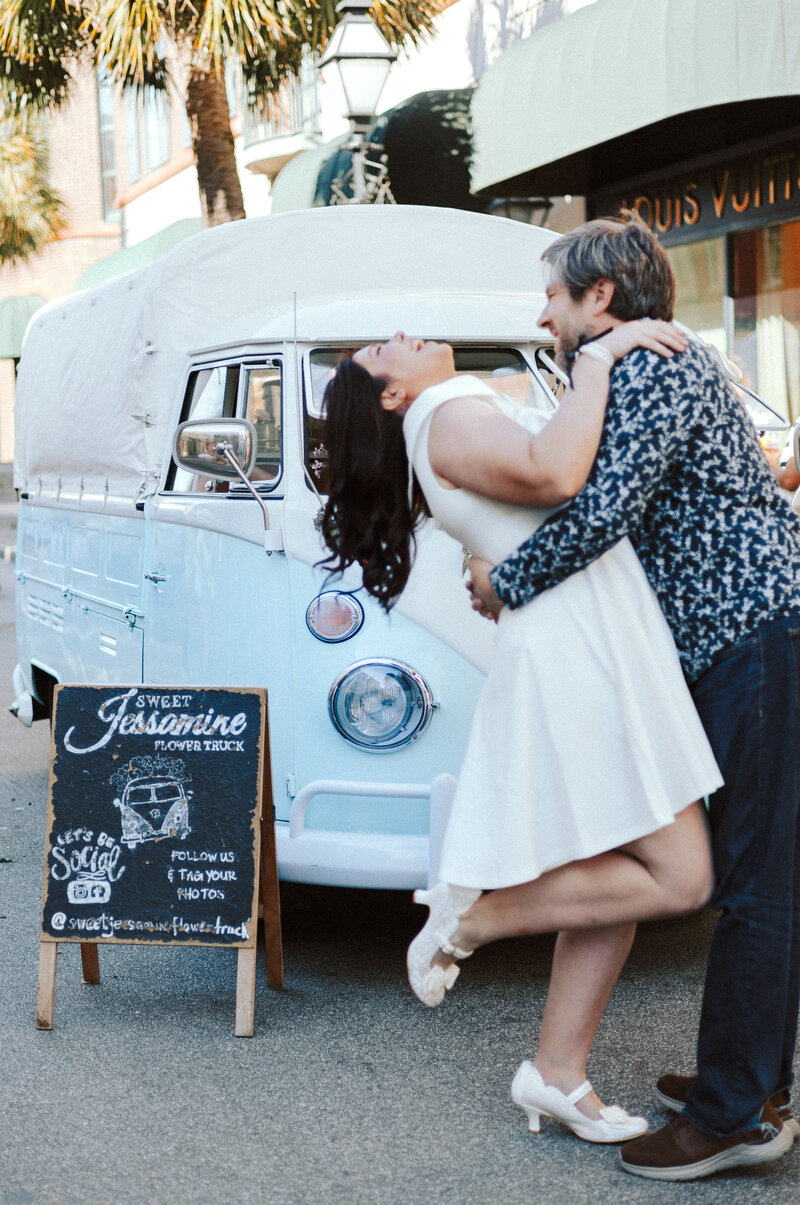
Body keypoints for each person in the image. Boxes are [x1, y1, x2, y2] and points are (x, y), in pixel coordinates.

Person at [320, 318, 723, 1145]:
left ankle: (556, 1072)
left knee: (616, 863)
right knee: (681, 876)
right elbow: (559, 472)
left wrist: (486, 568)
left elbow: (527, 511)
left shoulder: (451, 413)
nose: (395, 335)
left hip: (587, 637)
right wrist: (600, 359)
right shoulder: (445, 412)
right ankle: (470, 919)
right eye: (376, 352)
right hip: (583, 650)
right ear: (392, 395)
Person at [466, 213, 800, 1180]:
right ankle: (749, 1084)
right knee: (756, 874)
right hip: (742, 638)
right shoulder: (646, 361)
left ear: (598, 298)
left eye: (554, 296)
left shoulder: (650, 367)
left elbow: (603, 510)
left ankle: (737, 1113)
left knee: (755, 883)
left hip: (752, 635)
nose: (544, 312)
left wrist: (505, 582)